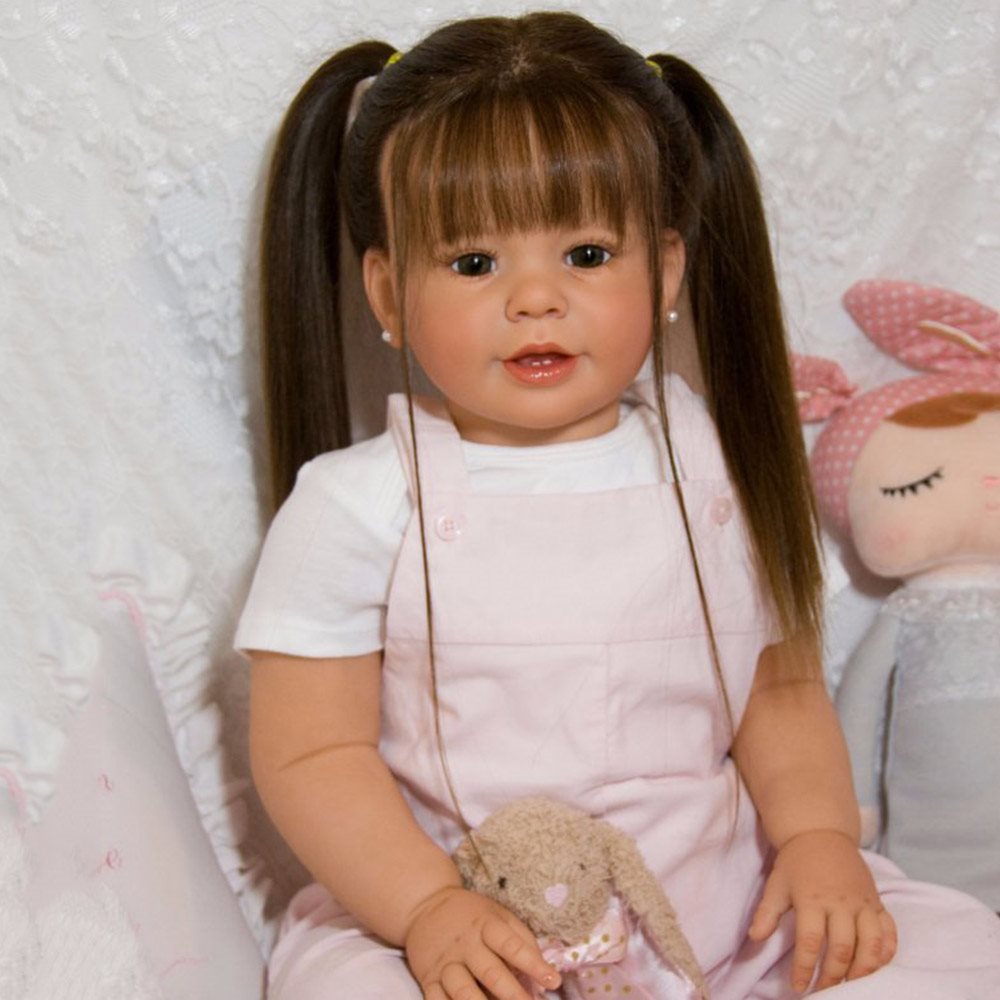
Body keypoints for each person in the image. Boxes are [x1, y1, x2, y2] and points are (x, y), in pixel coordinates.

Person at [236, 12, 1000, 999]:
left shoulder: (719, 472)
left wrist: (818, 839)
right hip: (457, 921)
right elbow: (311, 750)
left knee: (949, 956)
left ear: (666, 269)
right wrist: (422, 908)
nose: (536, 298)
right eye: (474, 263)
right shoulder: (358, 504)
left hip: (716, 915)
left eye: (588, 254)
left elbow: (778, 693)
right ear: (387, 294)